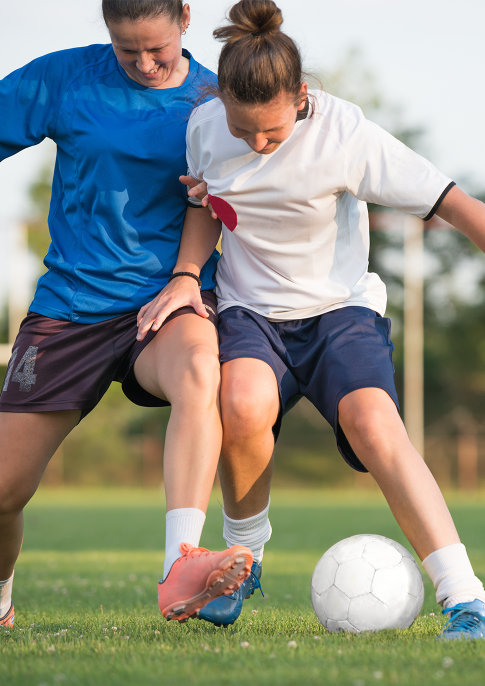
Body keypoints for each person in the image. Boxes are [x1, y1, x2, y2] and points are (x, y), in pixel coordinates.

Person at [136, 0, 485, 639]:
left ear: (301, 97)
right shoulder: (206, 126)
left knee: (374, 424)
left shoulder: (345, 133)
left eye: (271, 132)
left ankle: (465, 595)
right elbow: (206, 205)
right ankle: (246, 559)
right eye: (245, 134)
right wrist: (187, 277)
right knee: (241, 404)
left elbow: (454, 204)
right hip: (249, 311)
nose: (258, 145)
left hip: (339, 311)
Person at [0, 0, 254, 630]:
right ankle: (0, 594)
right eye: (126, 49)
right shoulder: (64, 79)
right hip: (71, 309)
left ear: (186, 20)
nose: (143, 63)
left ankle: (182, 570)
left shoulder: (216, 101)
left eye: (157, 49)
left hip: (167, 301)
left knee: (201, 367)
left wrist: (186, 277)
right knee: (4, 493)